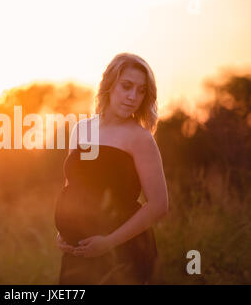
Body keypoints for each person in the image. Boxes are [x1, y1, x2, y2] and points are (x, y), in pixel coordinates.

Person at [54, 52, 169, 284]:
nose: (133, 96)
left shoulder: (140, 138)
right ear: (109, 85)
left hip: (122, 253)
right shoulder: (81, 129)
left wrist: (109, 242)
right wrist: (63, 232)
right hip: (77, 252)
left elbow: (159, 206)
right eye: (126, 86)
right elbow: (72, 186)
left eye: (141, 90)